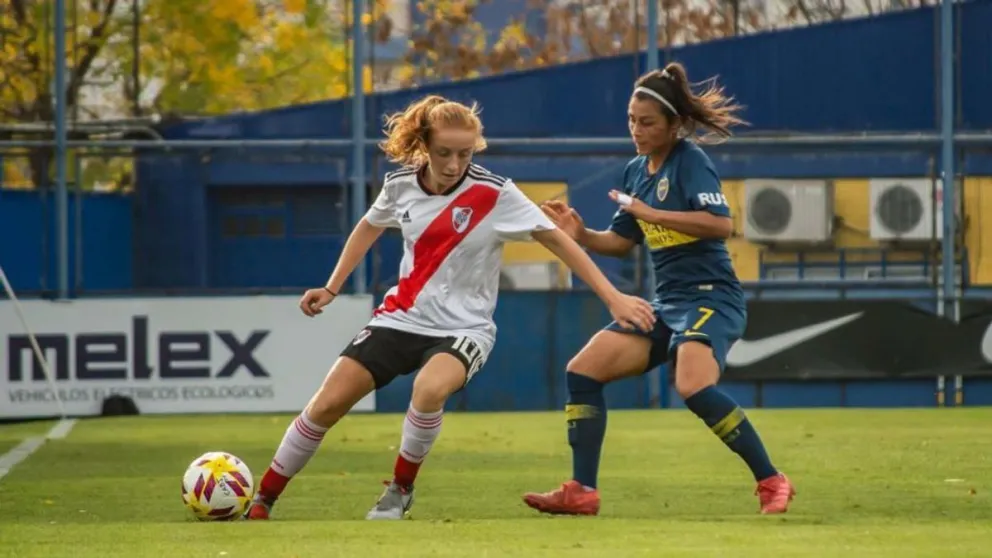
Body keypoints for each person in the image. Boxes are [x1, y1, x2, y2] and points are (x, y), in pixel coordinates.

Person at [243, 94, 657, 521]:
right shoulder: (400, 185)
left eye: (464, 153)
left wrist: (613, 297)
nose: (454, 163)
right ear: (424, 144)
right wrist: (332, 287)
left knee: (428, 389)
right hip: (399, 318)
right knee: (326, 404)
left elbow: (558, 241)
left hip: (464, 330)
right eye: (444, 152)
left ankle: (399, 491)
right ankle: (262, 500)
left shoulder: (495, 193)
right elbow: (368, 227)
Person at [522, 63, 796, 516]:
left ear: (674, 125)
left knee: (692, 385)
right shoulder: (636, 171)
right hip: (667, 306)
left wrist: (653, 214)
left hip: (712, 299)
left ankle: (771, 480)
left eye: (647, 122)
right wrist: (581, 234)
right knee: (582, 372)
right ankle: (582, 490)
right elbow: (621, 243)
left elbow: (720, 225)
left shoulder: (690, 161)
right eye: (632, 119)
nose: (637, 129)